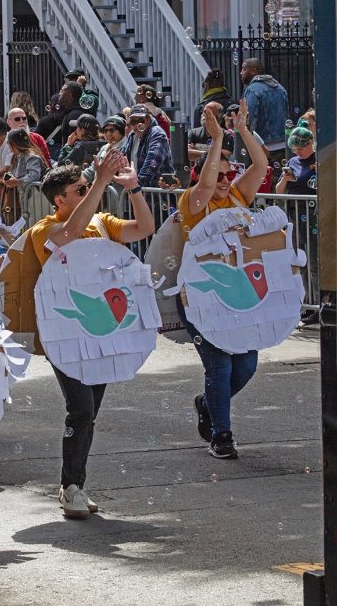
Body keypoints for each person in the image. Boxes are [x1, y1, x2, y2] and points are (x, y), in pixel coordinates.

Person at [31, 155, 154, 518]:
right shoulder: (45, 229)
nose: (88, 192)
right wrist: (100, 179)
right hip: (65, 334)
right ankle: (71, 487)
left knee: (90, 412)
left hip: (104, 333)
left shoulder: (102, 223)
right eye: (79, 190)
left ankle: (76, 484)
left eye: (87, 187)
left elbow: (144, 228)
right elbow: (68, 236)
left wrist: (133, 188)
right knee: (80, 409)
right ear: (60, 201)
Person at [178, 100, 268, 460]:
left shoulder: (237, 194)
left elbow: (261, 165)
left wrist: (242, 130)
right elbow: (205, 182)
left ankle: (208, 404)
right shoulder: (193, 200)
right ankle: (222, 434)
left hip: (239, 292)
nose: (224, 181)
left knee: (246, 365)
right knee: (220, 364)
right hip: (200, 295)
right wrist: (215, 139)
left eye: (229, 175)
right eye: (218, 175)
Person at [276, 120, 318, 324]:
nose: (298, 152)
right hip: (296, 215)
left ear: (311, 144)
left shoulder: (319, 159)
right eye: (295, 148)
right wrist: (285, 179)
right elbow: (278, 191)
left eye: (301, 148)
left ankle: (318, 304)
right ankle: (306, 303)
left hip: (314, 215)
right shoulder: (292, 162)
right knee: (299, 259)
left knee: (314, 261)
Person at [121, 104, 174, 189]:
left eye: (140, 120)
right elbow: (122, 155)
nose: (136, 125)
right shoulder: (132, 135)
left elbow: (154, 159)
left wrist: (139, 181)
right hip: (137, 189)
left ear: (148, 119)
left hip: (155, 192)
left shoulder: (157, 133)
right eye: (133, 122)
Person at [241, 58, 289, 153]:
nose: (241, 73)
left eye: (244, 69)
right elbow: (286, 115)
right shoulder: (280, 88)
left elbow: (249, 120)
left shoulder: (252, 90)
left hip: (263, 146)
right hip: (283, 144)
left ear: (254, 70)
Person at [35, 81, 85, 159]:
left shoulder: (73, 116)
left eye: (62, 91)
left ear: (69, 96)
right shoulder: (70, 114)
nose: (59, 94)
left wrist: (63, 160)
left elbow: (75, 145)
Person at [82, 115, 126, 183]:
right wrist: (78, 178)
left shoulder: (126, 147)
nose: (108, 134)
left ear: (121, 132)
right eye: (105, 131)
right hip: (100, 189)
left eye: (112, 130)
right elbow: (93, 169)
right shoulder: (104, 147)